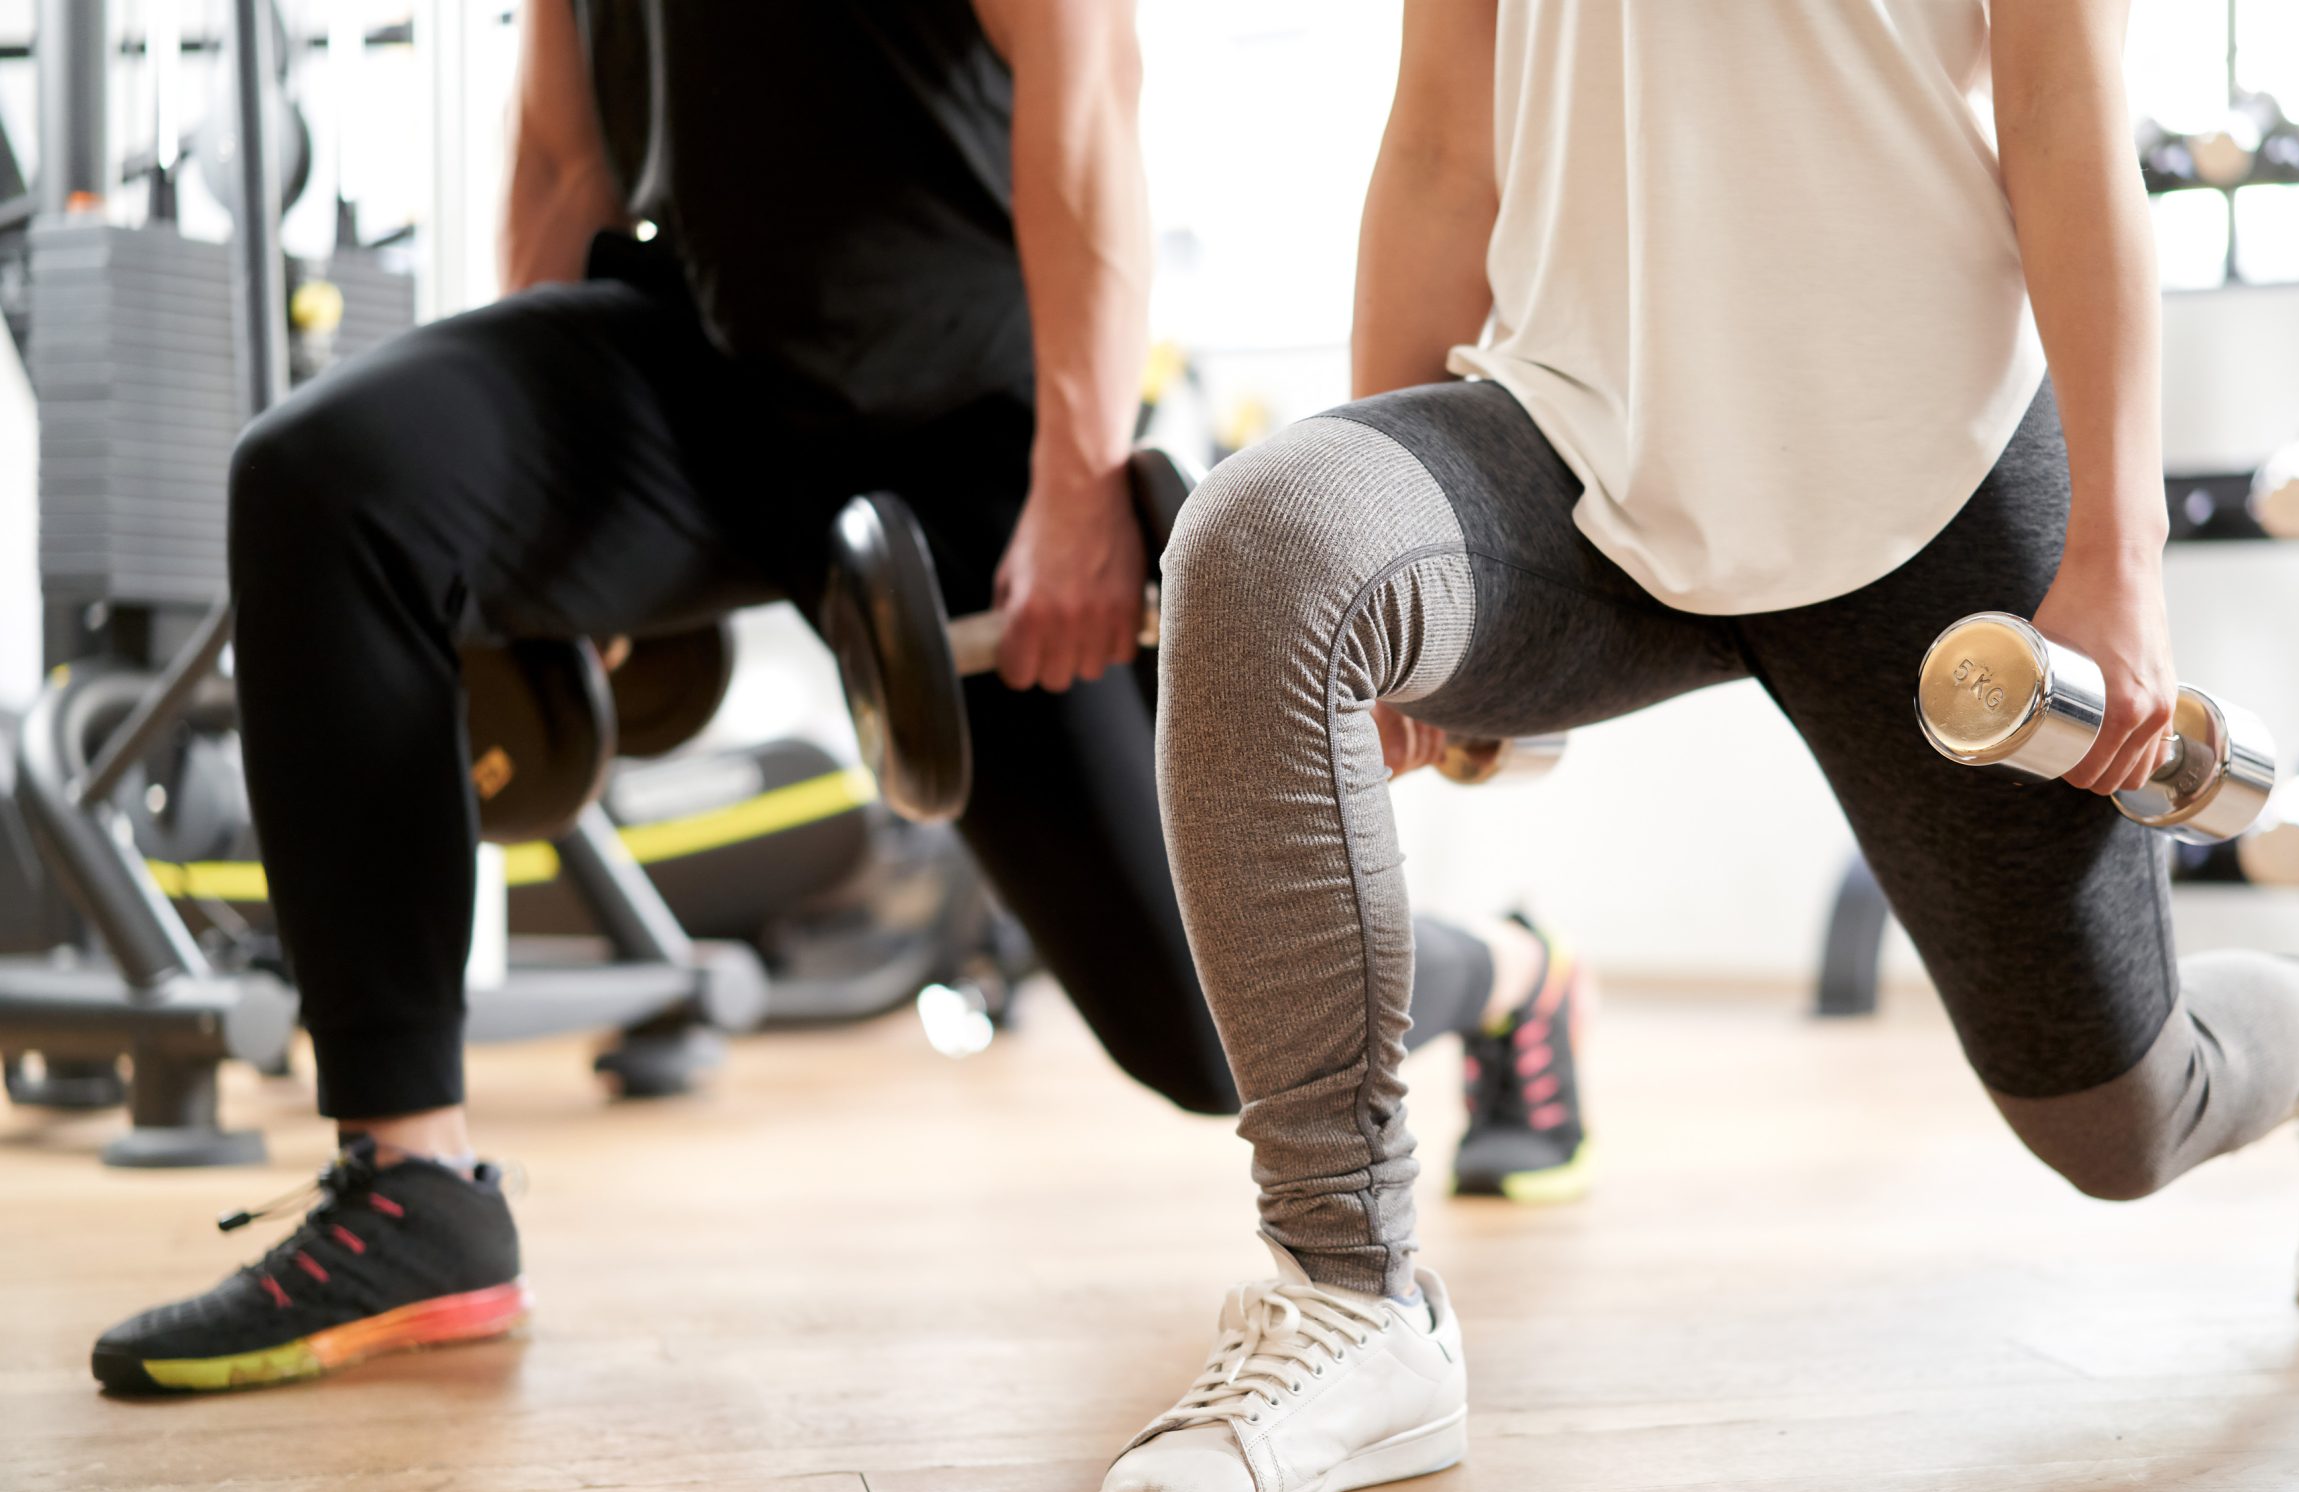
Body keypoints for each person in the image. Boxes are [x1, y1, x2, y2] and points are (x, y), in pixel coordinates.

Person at [1093, 0, 2299, 1492]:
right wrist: (1405, 641)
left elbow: (2069, 116)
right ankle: (1350, 1297)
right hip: (1577, 446)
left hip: (1930, 482)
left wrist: (2118, 554)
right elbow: (1438, 139)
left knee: (2123, 1124)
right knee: (1270, 542)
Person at [88, 0, 1589, 1399]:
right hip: (697, 373)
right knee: (330, 479)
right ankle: (411, 1185)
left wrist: (1075, 481)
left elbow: (1087, 87)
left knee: (1205, 1029)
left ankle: (1512, 977)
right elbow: (566, 150)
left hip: (962, 426)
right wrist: (523, 583)